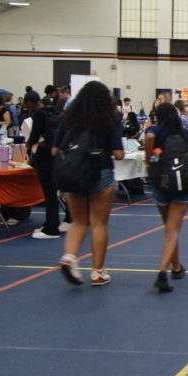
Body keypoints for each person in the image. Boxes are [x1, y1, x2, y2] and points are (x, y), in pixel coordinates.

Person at [55, 80, 125, 287]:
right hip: (100, 171)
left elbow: (54, 149)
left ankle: (69, 256)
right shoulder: (109, 120)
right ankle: (98, 272)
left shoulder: (69, 119)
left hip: (75, 173)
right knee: (99, 223)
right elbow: (119, 154)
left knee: (78, 221)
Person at [146, 102, 188, 293]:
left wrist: (150, 165)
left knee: (169, 228)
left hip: (162, 183)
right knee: (172, 229)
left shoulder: (154, 131)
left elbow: (151, 153)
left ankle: (176, 267)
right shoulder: (185, 133)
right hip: (183, 183)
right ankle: (163, 271)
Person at [24, 90, 65, 239]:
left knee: (49, 193)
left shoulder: (38, 115)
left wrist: (27, 145)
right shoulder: (52, 110)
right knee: (54, 192)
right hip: (54, 155)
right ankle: (53, 222)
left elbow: (34, 136)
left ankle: (51, 227)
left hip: (43, 156)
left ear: (30, 103)